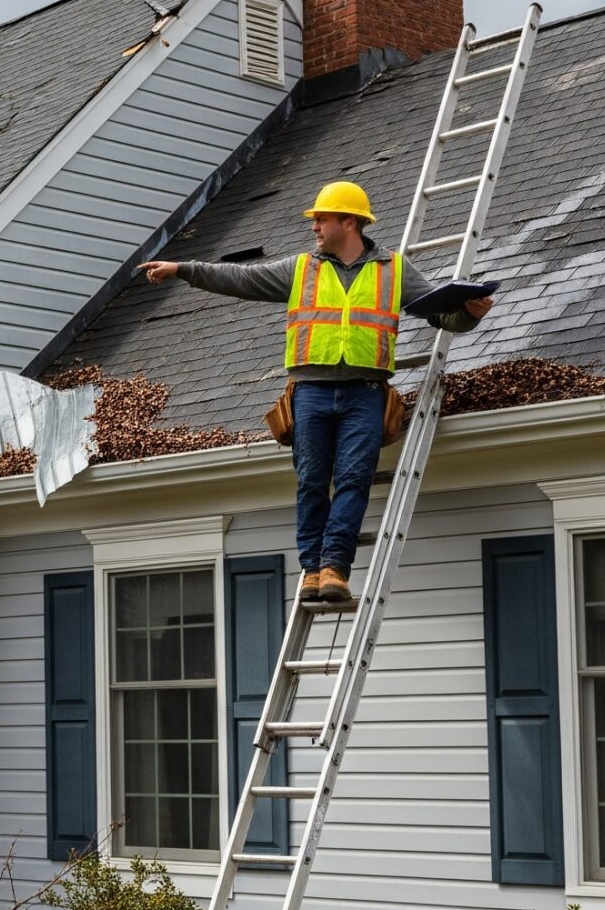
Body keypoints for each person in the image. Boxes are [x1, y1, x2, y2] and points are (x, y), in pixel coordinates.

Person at [135, 181, 492, 609]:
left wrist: (470, 314)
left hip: (365, 393)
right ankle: (311, 571)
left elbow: (444, 318)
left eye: (321, 218)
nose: (314, 227)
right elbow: (241, 279)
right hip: (310, 393)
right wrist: (182, 269)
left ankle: (334, 568)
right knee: (311, 483)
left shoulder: (394, 271)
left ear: (349, 222)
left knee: (354, 481)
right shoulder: (301, 268)